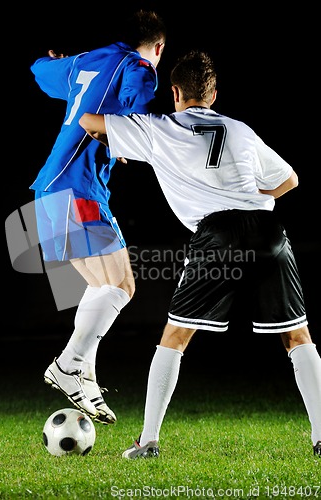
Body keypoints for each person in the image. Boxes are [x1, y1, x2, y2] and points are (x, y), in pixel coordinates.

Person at [79, 50, 321, 456]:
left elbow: (89, 122)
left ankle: (149, 441)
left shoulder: (160, 127)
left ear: (175, 92)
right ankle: (320, 437)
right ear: (213, 94)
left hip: (218, 235)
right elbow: (290, 179)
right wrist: (252, 196)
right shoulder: (240, 130)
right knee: (298, 336)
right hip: (268, 231)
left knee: (175, 337)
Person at [29, 10, 166, 425]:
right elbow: (137, 108)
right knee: (121, 286)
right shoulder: (140, 67)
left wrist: (62, 61)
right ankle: (68, 365)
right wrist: (126, 134)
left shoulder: (88, 59)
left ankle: (83, 372)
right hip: (79, 186)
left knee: (100, 287)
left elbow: (39, 70)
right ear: (158, 47)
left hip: (48, 189)